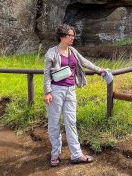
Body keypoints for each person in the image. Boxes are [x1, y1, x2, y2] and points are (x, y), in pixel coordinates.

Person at [43, 24, 106, 167]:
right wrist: (47, 92)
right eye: (70, 35)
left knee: (71, 122)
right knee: (54, 123)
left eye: (73, 35)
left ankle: (76, 155)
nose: (73, 38)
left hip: (70, 90)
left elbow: (84, 62)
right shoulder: (51, 53)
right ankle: (55, 153)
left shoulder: (72, 51)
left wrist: (99, 70)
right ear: (62, 36)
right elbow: (46, 73)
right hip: (56, 90)